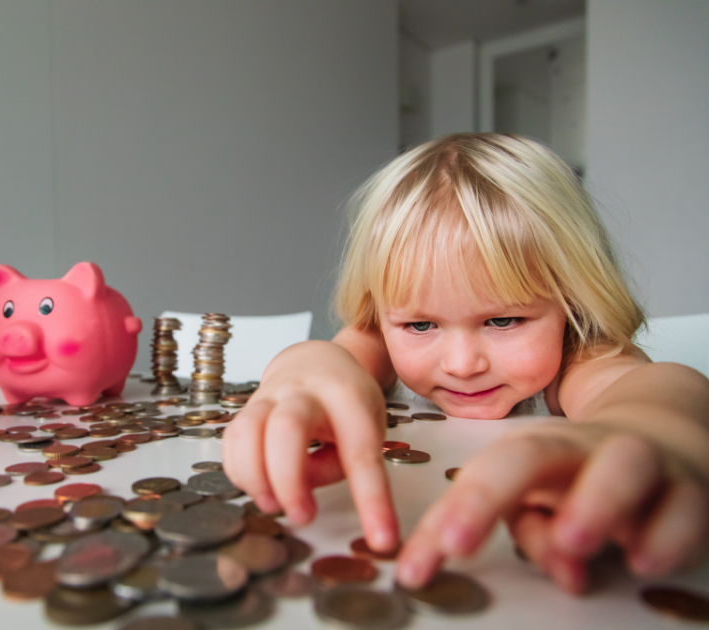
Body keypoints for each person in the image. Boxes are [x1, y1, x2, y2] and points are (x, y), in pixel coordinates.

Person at [222, 133, 709, 594]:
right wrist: (297, 373)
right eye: (419, 326)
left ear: (571, 306)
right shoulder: (379, 338)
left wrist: (655, 433)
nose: (461, 364)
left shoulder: (577, 357)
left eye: (504, 321)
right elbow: (329, 360)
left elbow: (648, 387)